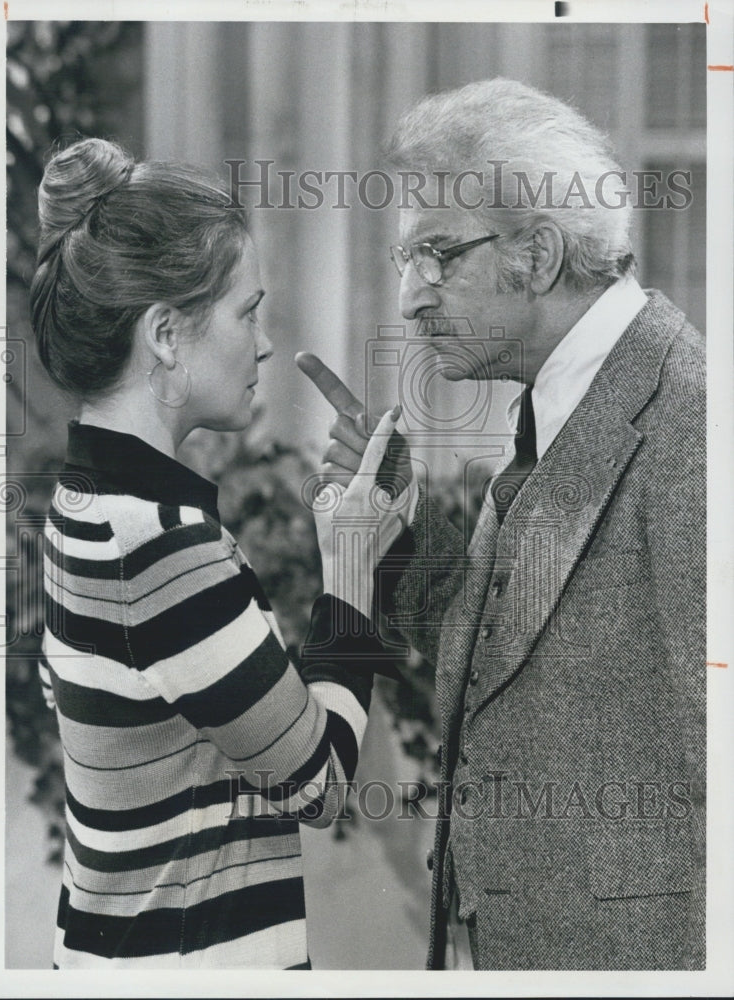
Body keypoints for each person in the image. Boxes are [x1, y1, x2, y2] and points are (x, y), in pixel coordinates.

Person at [297, 78, 705, 970]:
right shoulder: (563, 404)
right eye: (408, 261)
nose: (411, 298)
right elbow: (506, 675)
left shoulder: (694, 426)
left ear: (542, 253)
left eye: (439, 255)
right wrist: (396, 527)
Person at [30, 137, 404, 969]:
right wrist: (350, 565)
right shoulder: (161, 548)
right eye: (248, 312)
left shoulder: (86, 504)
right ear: (166, 334)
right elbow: (318, 782)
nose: (265, 344)